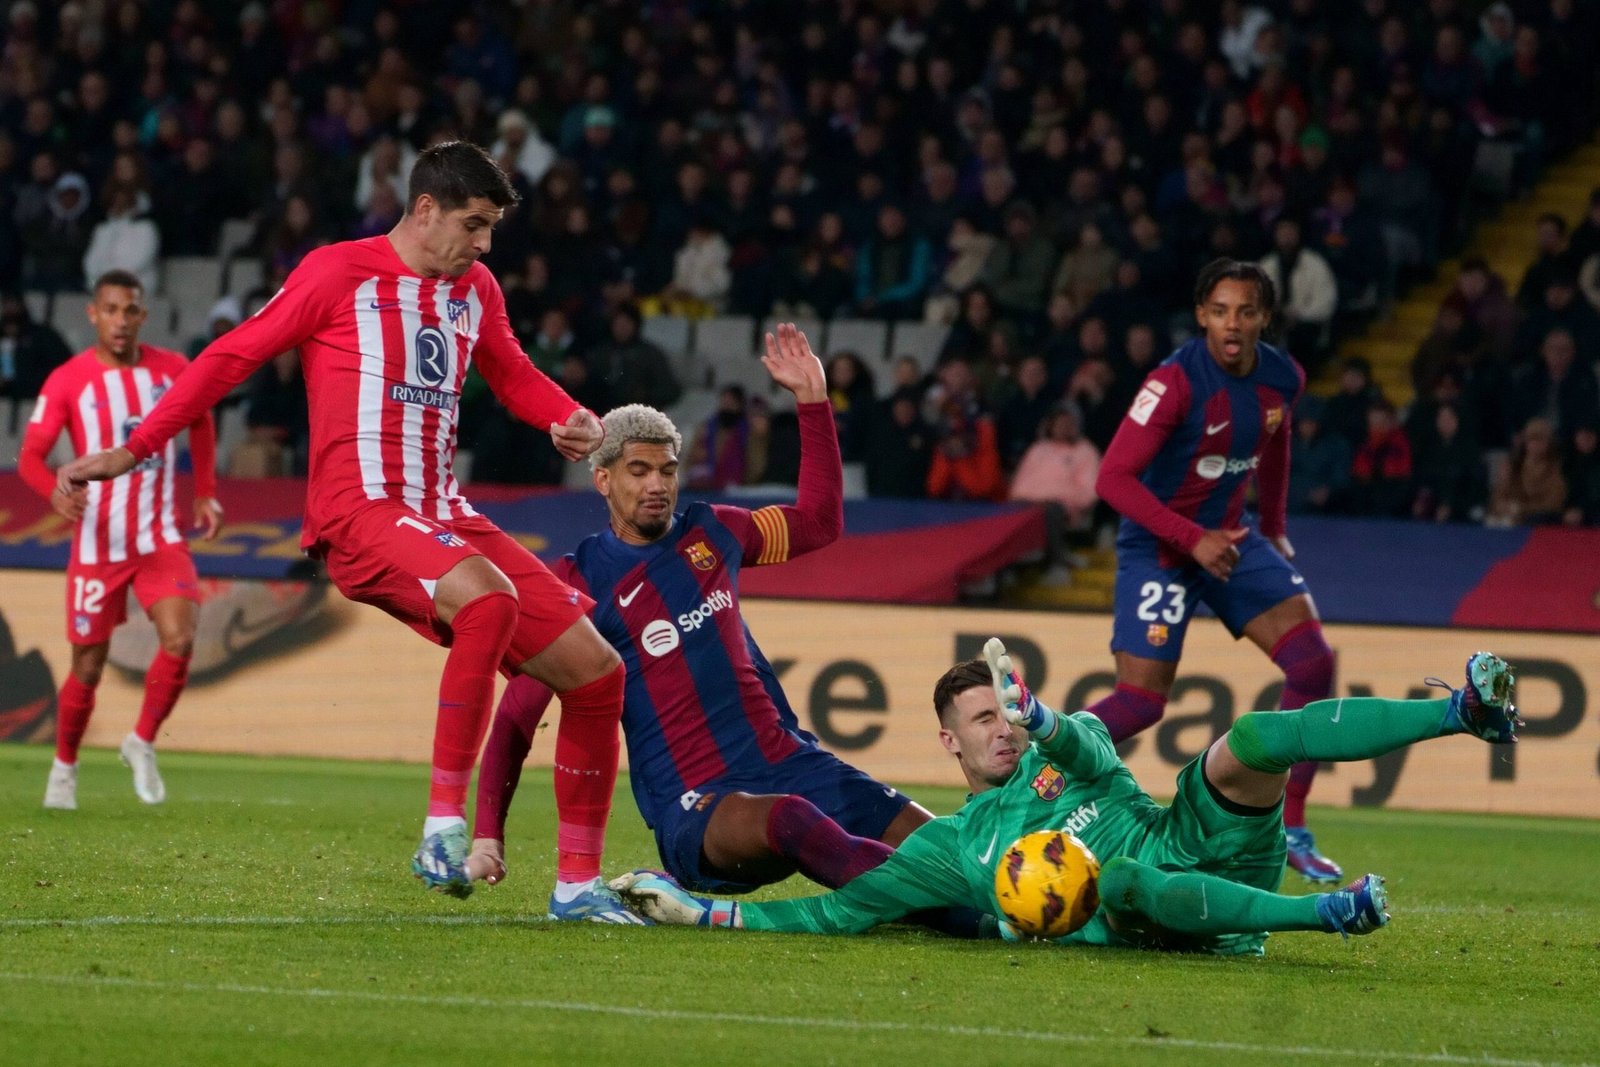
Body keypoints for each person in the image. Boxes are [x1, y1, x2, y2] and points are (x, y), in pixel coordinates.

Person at [56, 142, 632, 919]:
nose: (485, 243)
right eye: (475, 223)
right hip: (358, 513)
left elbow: (510, 369)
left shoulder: (476, 287)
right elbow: (231, 356)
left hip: (441, 511)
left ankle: (577, 888)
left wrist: (565, 415)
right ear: (424, 210)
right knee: (489, 603)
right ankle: (440, 827)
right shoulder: (337, 273)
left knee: (598, 676)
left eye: (492, 227)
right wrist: (137, 445)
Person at [615, 640, 1521, 952]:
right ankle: (1328, 912)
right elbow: (838, 914)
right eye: (982, 718)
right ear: (950, 741)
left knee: (1250, 739)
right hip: (1153, 910)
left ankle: (1461, 710)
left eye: (1004, 710)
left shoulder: (1060, 745)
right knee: (1120, 883)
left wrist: (1045, 714)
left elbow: (1090, 741)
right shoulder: (952, 847)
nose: (999, 727)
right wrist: (704, 917)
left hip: (1196, 839)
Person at [469, 325, 947, 909]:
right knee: (792, 820)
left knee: (942, 841)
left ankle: (1006, 904)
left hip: (792, 763)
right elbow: (519, 716)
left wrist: (813, 402)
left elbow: (821, 522)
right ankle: (971, 920)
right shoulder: (579, 583)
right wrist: (489, 833)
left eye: (667, 470)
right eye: (638, 471)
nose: (657, 485)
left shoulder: (714, 531)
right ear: (603, 479)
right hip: (699, 808)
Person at [1090, 259, 1344, 883]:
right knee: (1142, 702)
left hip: (1231, 540)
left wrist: (1276, 527)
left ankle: (1290, 826)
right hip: (1160, 546)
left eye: (1247, 311)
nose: (1233, 324)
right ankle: (1030, 775)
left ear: (1265, 318)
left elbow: (1275, 451)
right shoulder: (1174, 382)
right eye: (1221, 310)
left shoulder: (1283, 378)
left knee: (1313, 662)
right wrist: (1189, 538)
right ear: (1202, 315)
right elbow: (1112, 480)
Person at [18, 270, 223, 810]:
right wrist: (54, 495)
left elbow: (200, 420)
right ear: (93, 314)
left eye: (130, 310)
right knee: (87, 667)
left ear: (143, 316)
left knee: (179, 639)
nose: (120, 321)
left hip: (159, 537)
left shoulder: (172, 370)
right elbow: (30, 458)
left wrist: (205, 492)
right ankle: (64, 767)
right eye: (110, 309)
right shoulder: (67, 380)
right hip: (96, 543)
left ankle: (142, 741)